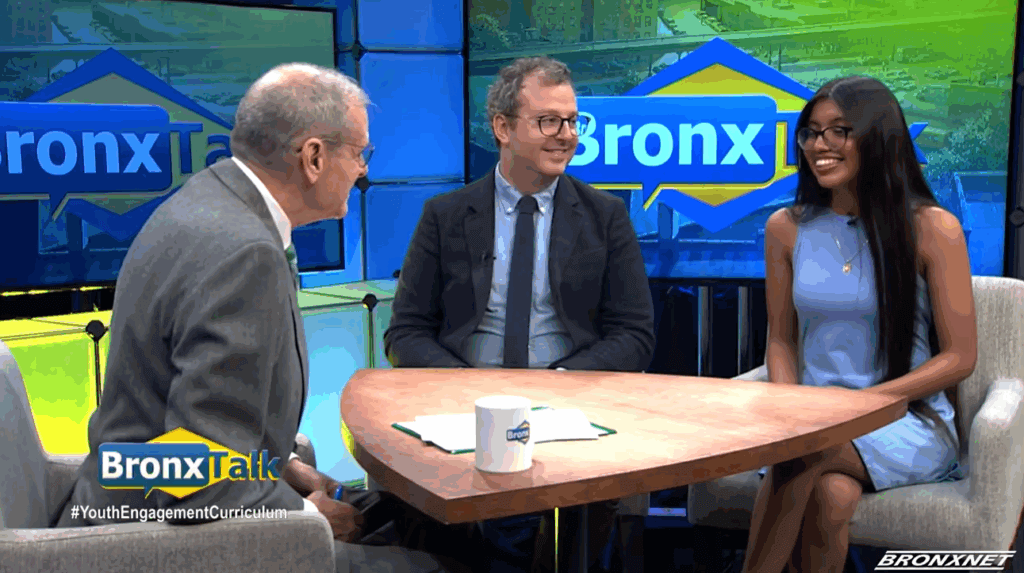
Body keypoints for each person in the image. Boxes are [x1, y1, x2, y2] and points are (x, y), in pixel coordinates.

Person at [54, 63, 472, 573]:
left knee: (427, 522)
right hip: (159, 540)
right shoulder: (243, 253)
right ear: (314, 157)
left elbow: (194, 431)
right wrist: (302, 516)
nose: (363, 170)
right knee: (457, 561)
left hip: (139, 496)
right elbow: (198, 482)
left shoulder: (207, 201)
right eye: (359, 153)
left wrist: (285, 469)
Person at [384, 57, 655, 572]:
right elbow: (406, 331)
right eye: (548, 121)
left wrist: (559, 384)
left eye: (573, 121)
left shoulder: (605, 216)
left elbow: (635, 334)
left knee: (569, 524)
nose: (566, 136)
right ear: (502, 128)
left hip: (570, 407)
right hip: (462, 408)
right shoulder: (445, 216)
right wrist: (468, 391)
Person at [745, 76, 977, 573]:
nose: (818, 146)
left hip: (906, 422)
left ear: (876, 136)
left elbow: (961, 358)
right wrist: (792, 409)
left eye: (838, 131)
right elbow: (782, 339)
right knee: (830, 495)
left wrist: (861, 406)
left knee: (807, 452)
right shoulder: (785, 228)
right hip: (813, 422)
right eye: (810, 132)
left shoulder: (934, 229)